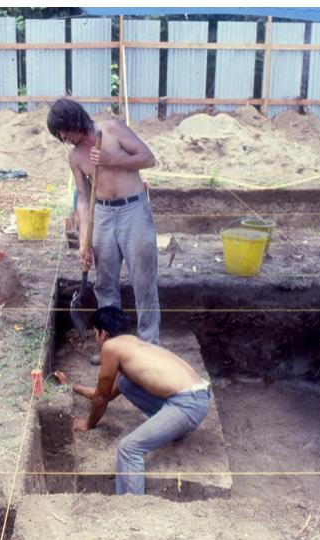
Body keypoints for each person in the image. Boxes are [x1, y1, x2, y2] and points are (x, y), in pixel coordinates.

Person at [53, 307, 211, 495]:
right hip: (197, 397)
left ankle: (131, 508)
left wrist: (88, 423)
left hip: (187, 405)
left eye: (95, 333)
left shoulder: (110, 348)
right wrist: (71, 387)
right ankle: (175, 429)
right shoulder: (132, 344)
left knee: (128, 449)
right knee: (126, 383)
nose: (95, 338)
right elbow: (105, 393)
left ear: (103, 333)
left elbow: (101, 398)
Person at [47, 98, 160, 351]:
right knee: (105, 285)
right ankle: (113, 347)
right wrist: (84, 241)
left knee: (144, 280)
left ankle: (151, 346)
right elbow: (84, 199)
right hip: (103, 216)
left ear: (73, 119)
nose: (63, 136)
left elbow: (148, 158)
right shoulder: (75, 157)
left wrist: (112, 160)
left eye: (63, 130)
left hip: (134, 211)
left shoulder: (112, 130)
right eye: (59, 135)